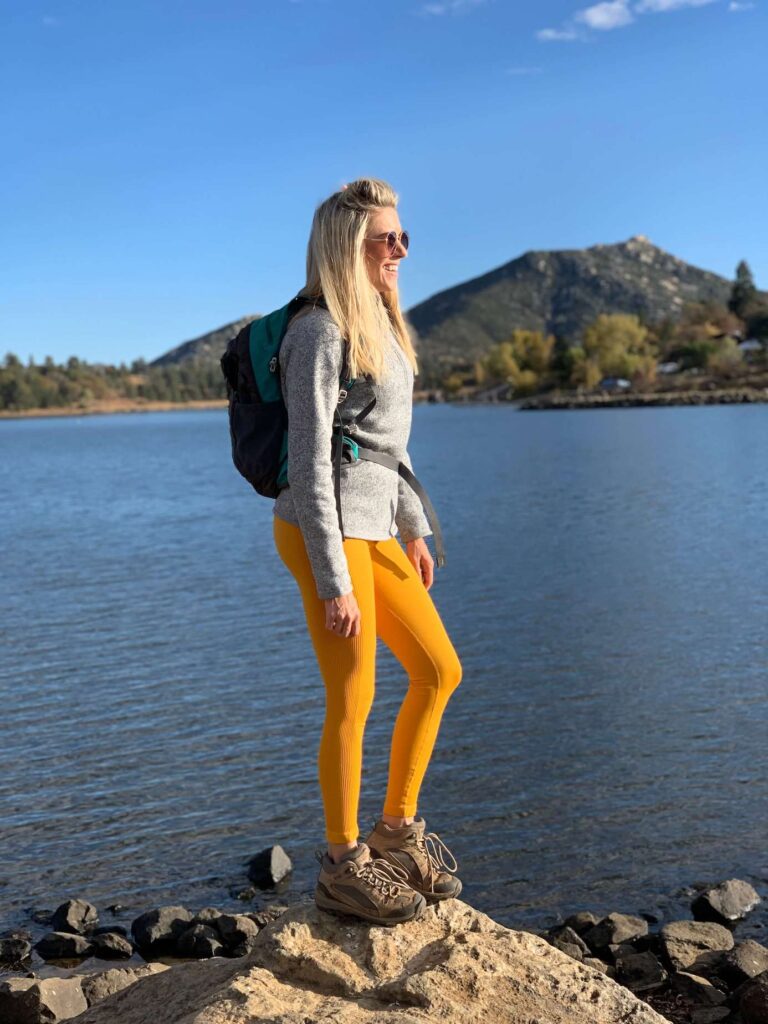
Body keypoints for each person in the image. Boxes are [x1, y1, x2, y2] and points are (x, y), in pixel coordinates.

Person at [272, 177, 463, 926]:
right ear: (349, 246)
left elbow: (390, 449)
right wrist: (332, 581)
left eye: (404, 236)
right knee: (354, 696)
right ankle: (344, 864)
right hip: (322, 530)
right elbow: (310, 460)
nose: (402, 250)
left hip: (377, 525)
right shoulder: (318, 330)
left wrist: (411, 525)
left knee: (438, 669)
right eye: (388, 238)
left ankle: (395, 833)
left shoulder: (384, 325)